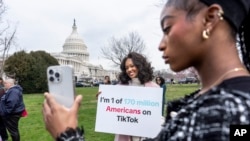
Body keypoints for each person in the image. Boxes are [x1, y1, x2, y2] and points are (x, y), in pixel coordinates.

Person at [42, 0, 250, 140]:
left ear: (211, 18)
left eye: (167, 28)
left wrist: (67, 134)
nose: (161, 44)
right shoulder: (217, 104)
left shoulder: (230, 111)